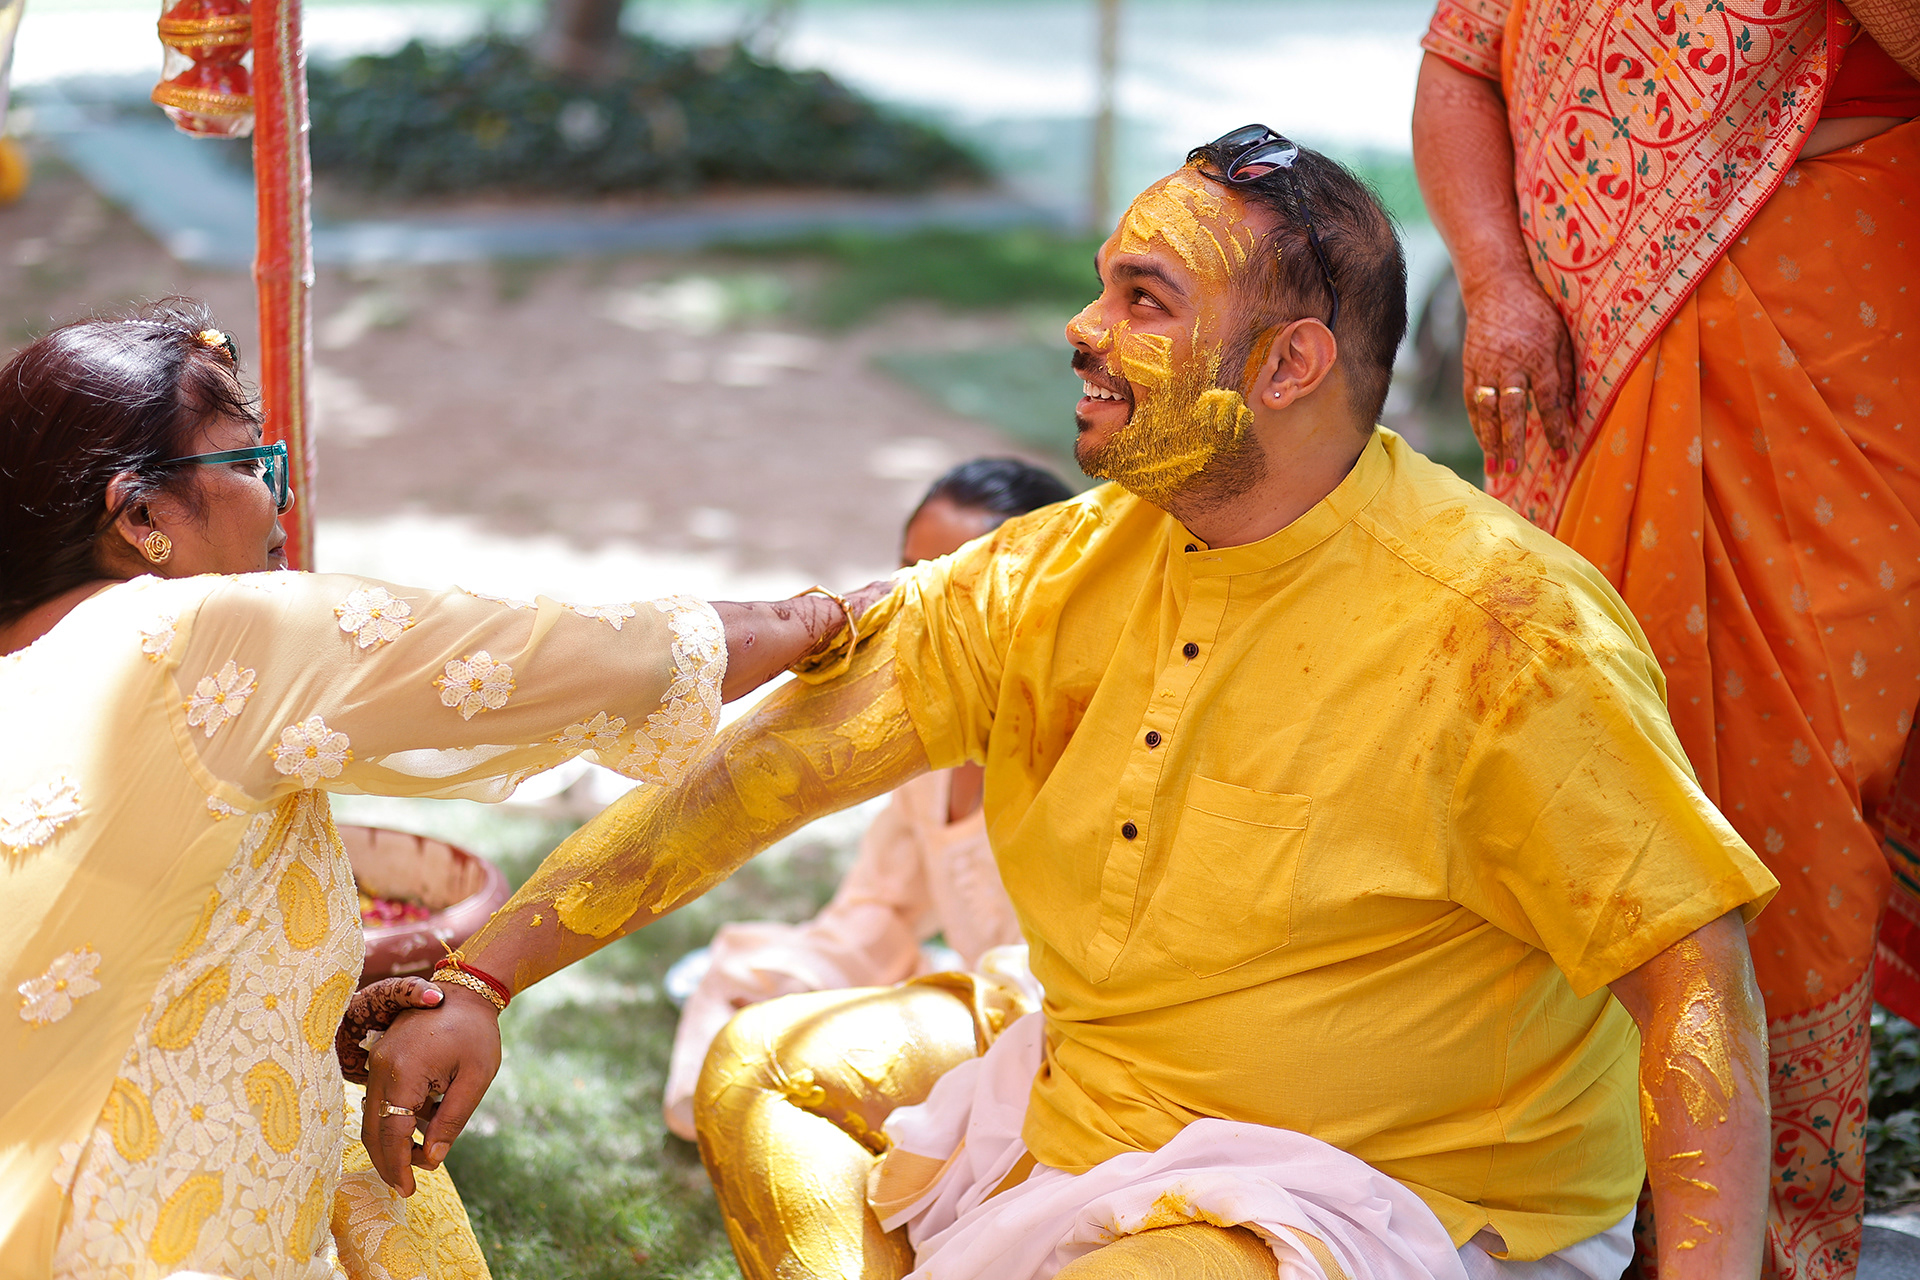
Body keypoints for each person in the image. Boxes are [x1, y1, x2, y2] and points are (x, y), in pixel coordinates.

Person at [367, 133, 1779, 1280]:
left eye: (1145, 301)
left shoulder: (1506, 632)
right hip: (1097, 1092)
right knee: (763, 1072)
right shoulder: (1054, 570)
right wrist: (488, 974)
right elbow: (769, 772)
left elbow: (1691, 978)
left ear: (1288, 365)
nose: (1083, 329)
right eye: (1104, 285)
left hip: (1392, 1196)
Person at [0, 302, 881, 1279]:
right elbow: (569, 657)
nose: (279, 504)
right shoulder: (192, 638)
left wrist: (300, 1016)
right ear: (141, 517)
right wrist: (823, 617)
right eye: (251, 465)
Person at [1410, 4, 1919, 1273]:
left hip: (1832, 290)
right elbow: (1460, 63)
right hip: (1584, 355)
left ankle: (1762, 1238)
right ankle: (1564, 1203)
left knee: (1788, 790)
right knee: (1567, 757)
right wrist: (1496, 280)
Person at [662, 457, 1073, 1141]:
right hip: (972, 1012)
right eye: (909, 572)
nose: (917, 602)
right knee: (745, 975)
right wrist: (795, 985)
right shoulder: (931, 738)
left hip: (1055, 1047)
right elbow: (881, 907)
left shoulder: (1079, 752)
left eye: (955, 580)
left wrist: (941, 1014)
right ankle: (731, 1118)